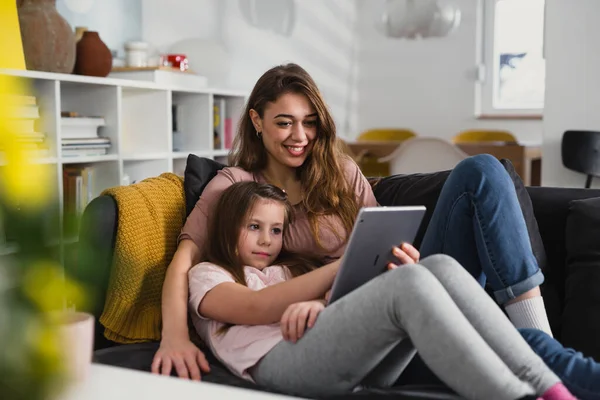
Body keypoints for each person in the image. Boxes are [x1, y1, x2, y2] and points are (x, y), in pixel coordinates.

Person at [150, 63, 560, 384]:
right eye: (284, 122)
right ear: (256, 121)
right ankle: (545, 362)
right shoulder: (235, 187)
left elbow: (380, 240)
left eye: (310, 122)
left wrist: (403, 256)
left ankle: (541, 340)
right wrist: (175, 337)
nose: (300, 136)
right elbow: (183, 264)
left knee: (483, 171)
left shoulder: (340, 172)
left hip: (394, 287)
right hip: (334, 321)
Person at [187, 180, 574, 400]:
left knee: (435, 265)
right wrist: (342, 265)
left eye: (275, 230)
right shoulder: (208, 274)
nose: (266, 240)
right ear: (226, 227)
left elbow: (323, 311)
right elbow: (256, 308)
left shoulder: (288, 272)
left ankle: (552, 390)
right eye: (254, 227)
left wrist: (320, 307)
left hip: (332, 353)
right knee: (408, 283)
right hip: (277, 366)